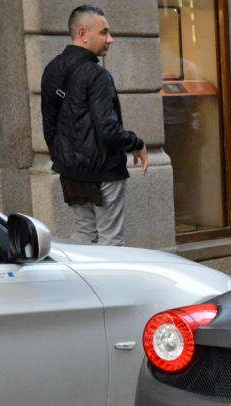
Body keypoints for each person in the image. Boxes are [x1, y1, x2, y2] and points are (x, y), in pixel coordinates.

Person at [39, 4, 147, 246]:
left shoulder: (51, 69)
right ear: (83, 34)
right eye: (103, 33)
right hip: (104, 172)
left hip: (72, 173)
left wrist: (64, 159)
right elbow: (108, 131)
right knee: (111, 243)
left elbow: (49, 124)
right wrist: (136, 142)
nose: (110, 40)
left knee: (84, 238)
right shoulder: (98, 75)